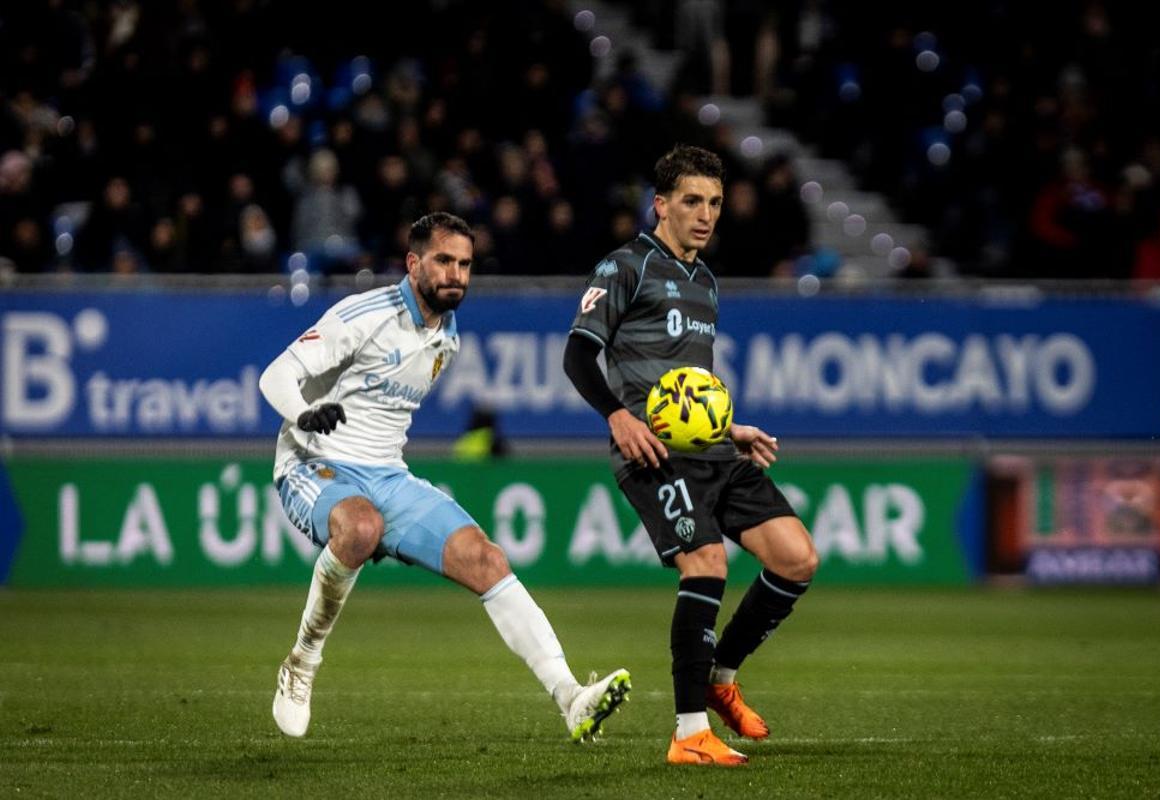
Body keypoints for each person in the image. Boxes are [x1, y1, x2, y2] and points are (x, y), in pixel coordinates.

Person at [260, 212, 630, 742]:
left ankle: (571, 698)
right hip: (314, 463)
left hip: (387, 474)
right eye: (443, 261)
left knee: (488, 559)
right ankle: (302, 663)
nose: (456, 274)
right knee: (360, 529)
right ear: (413, 264)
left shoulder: (446, 338)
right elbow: (276, 373)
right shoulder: (366, 313)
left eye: (465, 264)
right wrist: (303, 414)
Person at [562, 146, 819, 766]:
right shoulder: (625, 267)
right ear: (662, 205)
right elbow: (576, 355)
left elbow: (687, 388)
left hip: (712, 451)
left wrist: (731, 430)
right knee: (705, 563)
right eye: (692, 201)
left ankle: (721, 676)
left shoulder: (705, 281)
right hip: (652, 454)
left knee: (797, 559)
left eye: (715, 203)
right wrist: (617, 415)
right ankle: (688, 733)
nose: (705, 215)